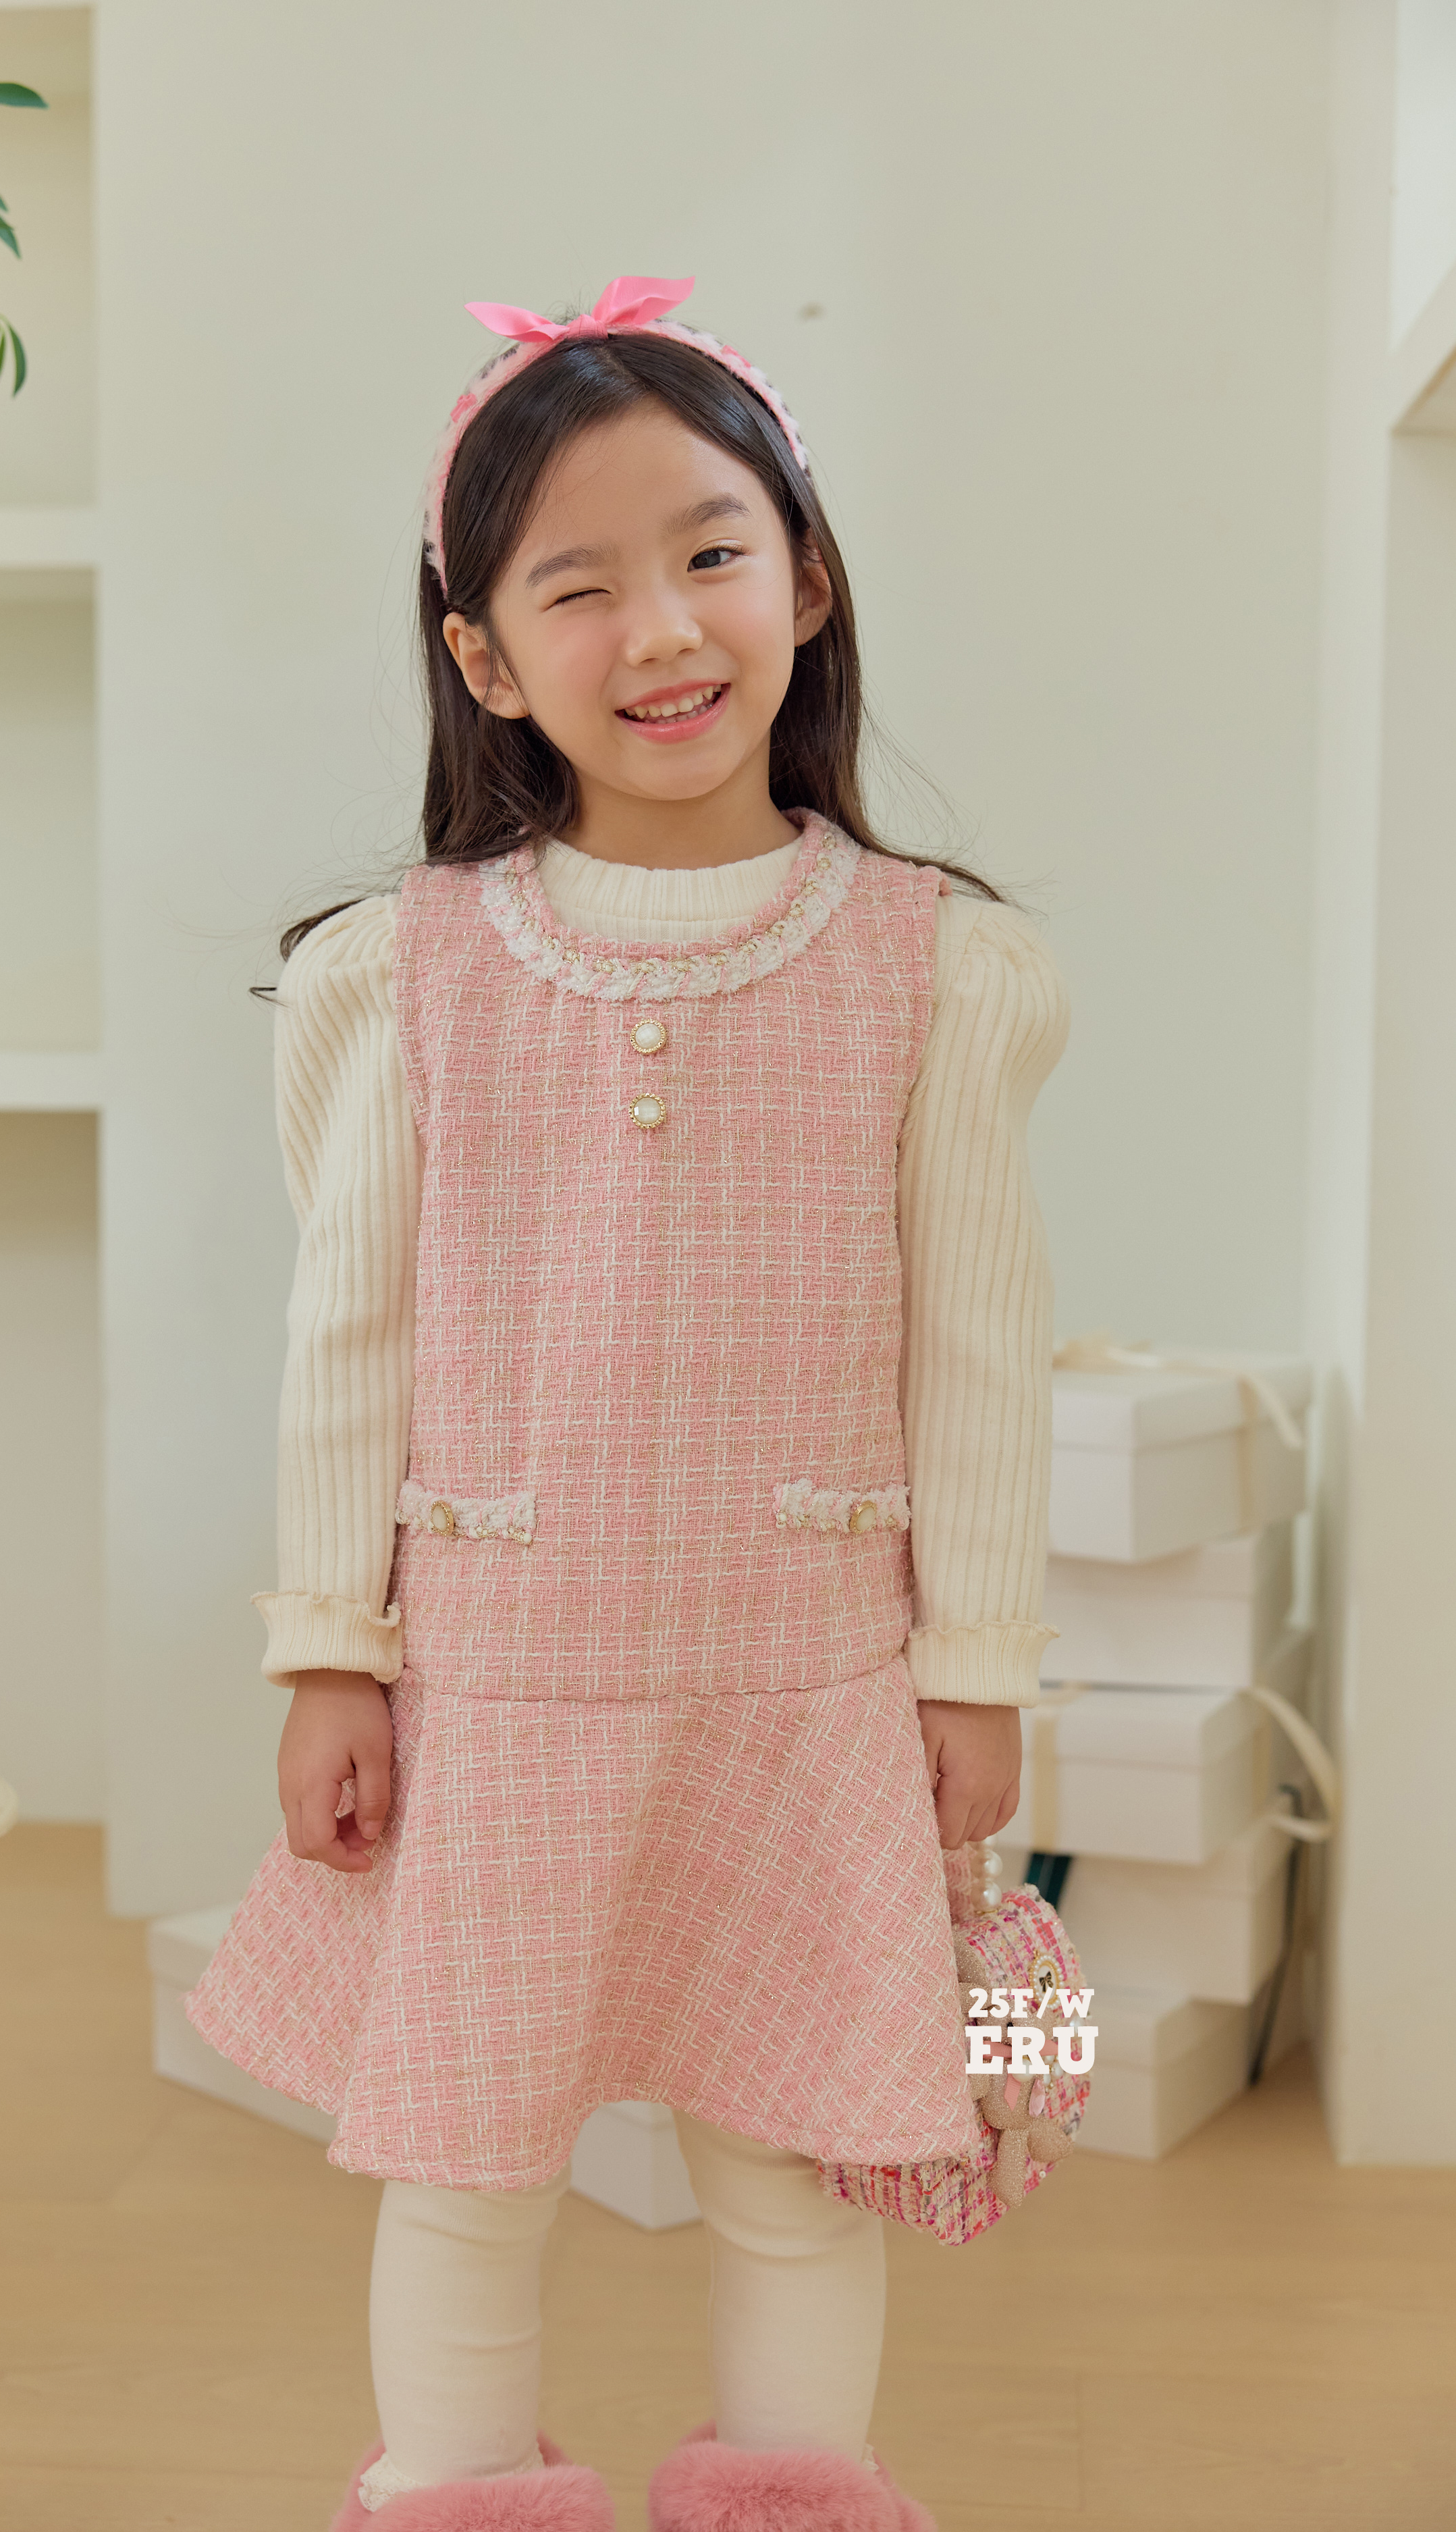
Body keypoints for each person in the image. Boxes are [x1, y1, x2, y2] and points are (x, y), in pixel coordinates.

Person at [186, 275, 1069, 2532]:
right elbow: (349, 1337)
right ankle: (461, 2493)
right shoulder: (397, 971)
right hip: (497, 1680)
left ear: (808, 579)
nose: (660, 627)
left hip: (806, 1683)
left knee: (793, 2159)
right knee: (467, 2163)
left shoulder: (938, 964)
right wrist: (328, 1650)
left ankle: (793, 2495)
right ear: (483, 657)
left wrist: (976, 1665)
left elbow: (974, 1345)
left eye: (709, 551)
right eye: (575, 585)